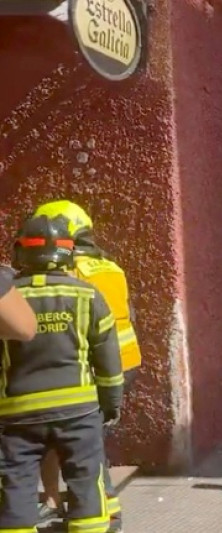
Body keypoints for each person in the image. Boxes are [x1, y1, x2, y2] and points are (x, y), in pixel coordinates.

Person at [0, 214, 123, 533]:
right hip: (79, 413)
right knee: (86, 484)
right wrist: (110, 404)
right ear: (68, 252)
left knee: (16, 487)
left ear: (21, 252)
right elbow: (108, 360)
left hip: (17, 415)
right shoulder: (87, 295)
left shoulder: (7, 300)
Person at [32, 200, 139, 523]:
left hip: (91, 365)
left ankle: (98, 512)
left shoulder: (68, 270)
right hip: (125, 362)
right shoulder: (110, 266)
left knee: (80, 445)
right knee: (87, 440)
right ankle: (93, 508)